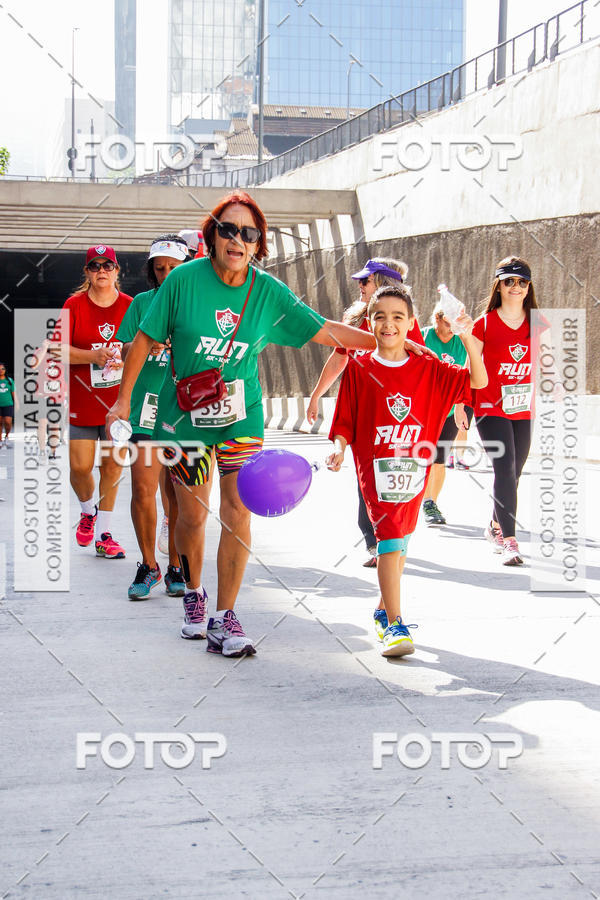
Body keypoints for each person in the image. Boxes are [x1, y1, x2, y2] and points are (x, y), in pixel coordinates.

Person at [107, 190, 378, 658]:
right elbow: (145, 339)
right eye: (228, 229)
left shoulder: (267, 291)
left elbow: (324, 329)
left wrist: (386, 339)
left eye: (248, 233)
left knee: (237, 510)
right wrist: (123, 400)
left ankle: (224, 615)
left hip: (241, 417)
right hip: (184, 418)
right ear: (212, 235)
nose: (238, 239)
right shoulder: (182, 282)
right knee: (190, 515)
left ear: (258, 242)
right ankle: (194, 594)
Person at [327, 285, 487, 657]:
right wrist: (338, 449)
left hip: (414, 470)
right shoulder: (360, 368)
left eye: (398, 317)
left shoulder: (429, 367)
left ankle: (384, 611)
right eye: (380, 316)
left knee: (402, 545)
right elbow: (344, 422)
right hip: (377, 469)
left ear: (411, 322)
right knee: (390, 540)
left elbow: (476, 381)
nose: (388, 324)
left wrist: (466, 335)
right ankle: (395, 625)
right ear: (370, 322)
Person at [307, 258, 426, 566]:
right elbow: (338, 359)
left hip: (399, 416)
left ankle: (395, 537)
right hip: (364, 413)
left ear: (385, 283)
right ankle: (376, 542)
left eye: (366, 281)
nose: (360, 285)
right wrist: (317, 395)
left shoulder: (404, 322)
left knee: (396, 477)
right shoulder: (357, 319)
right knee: (367, 479)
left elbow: (424, 369)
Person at [117, 234, 189, 599]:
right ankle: (148, 565)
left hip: (182, 411)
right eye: (159, 268)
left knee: (176, 494)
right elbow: (125, 348)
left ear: (186, 267)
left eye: (173, 268)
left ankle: (177, 563)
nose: (165, 274)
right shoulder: (142, 303)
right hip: (144, 409)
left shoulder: (197, 303)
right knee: (143, 489)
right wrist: (147, 343)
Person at [471, 256, 543, 566]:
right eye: (509, 281)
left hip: (522, 408)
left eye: (522, 282)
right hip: (488, 406)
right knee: (504, 466)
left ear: (529, 288)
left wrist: (536, 403)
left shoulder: (537, 323)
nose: (516, 286)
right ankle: (510, 541)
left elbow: (539, 366)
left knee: (515, 471)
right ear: (498, 286)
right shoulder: (483, 323)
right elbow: (469, 366)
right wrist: (463, 403)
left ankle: (495, 525)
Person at [63, 245, 132, 558]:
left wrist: (129, 353)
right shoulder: (74, 305)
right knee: (79, 467)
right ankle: (87, 511)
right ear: (87, 272)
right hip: (83, 400)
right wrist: (93, 355)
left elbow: (139, 345)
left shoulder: (131, 305)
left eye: (108, 265)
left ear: (117, 271)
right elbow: (56, 349)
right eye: (95, 266)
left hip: (118, 404)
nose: (101, 270)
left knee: (112, 466)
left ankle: (105, 534)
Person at [421, 305, 474, 525]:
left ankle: (430, 502)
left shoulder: (461, 342)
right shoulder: (423, 336)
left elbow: (466, 375)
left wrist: (461, 406)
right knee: (424, 456)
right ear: (437, 318)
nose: (452, 327)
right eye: (448, 321)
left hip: (450, 409)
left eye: (456, 322)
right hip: (423, 408)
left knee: (439, 457)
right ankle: (417, 499)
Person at [0, 363, 17, 447]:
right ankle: (0, 440)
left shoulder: (9, 381)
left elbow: (13, 393)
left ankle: (7, 436)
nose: (1, 371)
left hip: (8, 404)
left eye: (2, 369)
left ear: (5, 370)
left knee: (8, 422)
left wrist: (16, 403)